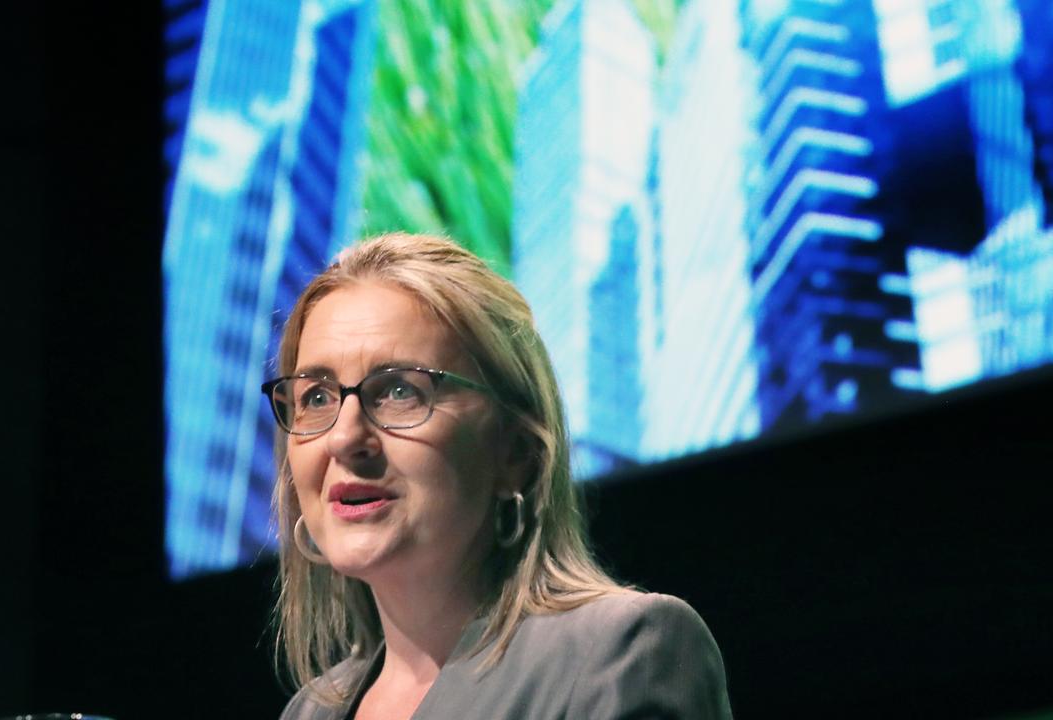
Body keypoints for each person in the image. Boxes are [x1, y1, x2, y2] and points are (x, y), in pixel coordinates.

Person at [264, 233, 732, 719]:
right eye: (316, 398)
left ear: (517, 452)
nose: (343, 438)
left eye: (400, 390)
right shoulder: (309, 712)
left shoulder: (621, 654)